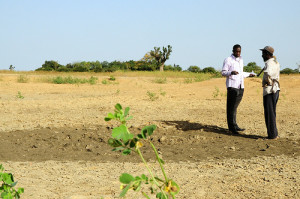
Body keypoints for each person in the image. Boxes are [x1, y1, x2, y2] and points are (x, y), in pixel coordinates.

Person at [222, 44, 254, 134]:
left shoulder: (241, 60)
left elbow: (240, 73)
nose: (238, 53)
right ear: (233, 51)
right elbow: (223, 72)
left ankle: (235, 125)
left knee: (235, 108)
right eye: (236, 51)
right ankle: (232, 128)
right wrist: (231, 72)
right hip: (232, 86)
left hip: (240, 86)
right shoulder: (228, 60)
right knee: (231, 108)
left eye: (239, 51)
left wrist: (248, 74)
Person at [260, 46, 280, 139]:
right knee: (272, 112)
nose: (262, 55)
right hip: (276, 89)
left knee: (269, 113)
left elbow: (268, 73)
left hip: (270, 90)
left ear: (267, 54)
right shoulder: (275, 62)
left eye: (263, 53)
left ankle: (272, 135)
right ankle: (273, 133)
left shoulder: (269, 63)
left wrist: (266, 80)